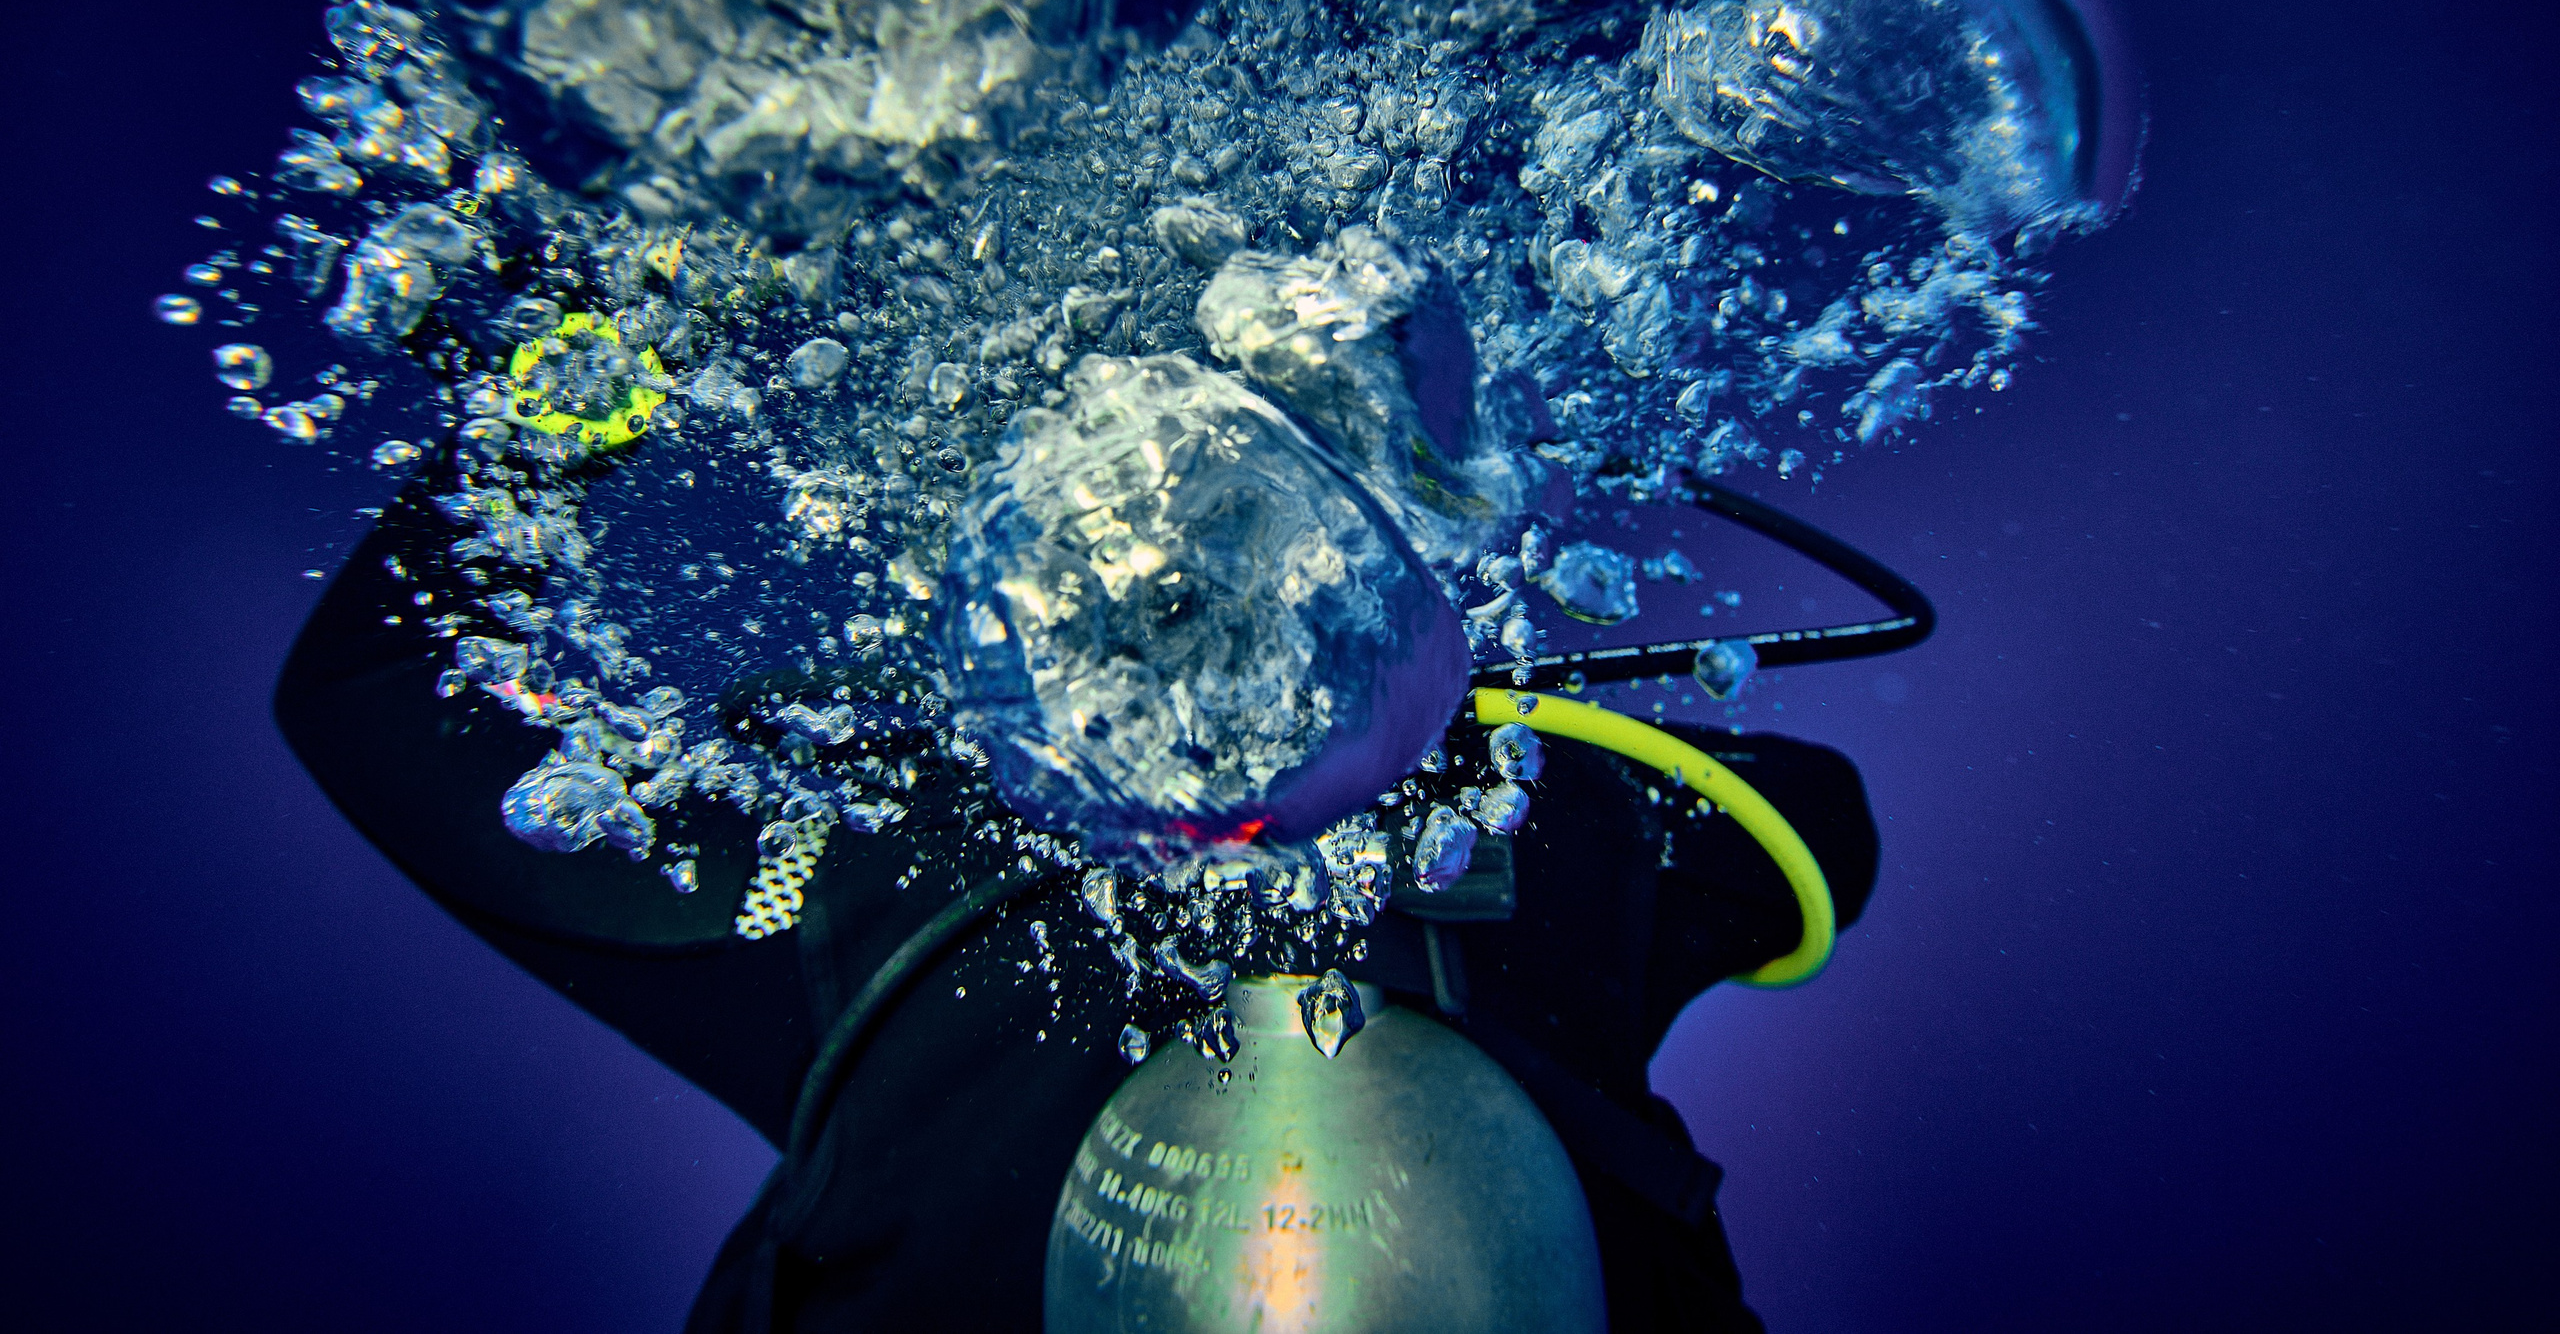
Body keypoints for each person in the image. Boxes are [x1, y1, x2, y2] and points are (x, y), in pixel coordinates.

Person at [276, 483, 1880, 1332]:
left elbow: (372, 692)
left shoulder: (872, 857)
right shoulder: (1538, 812)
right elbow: (1817, 831)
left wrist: (610, 337)